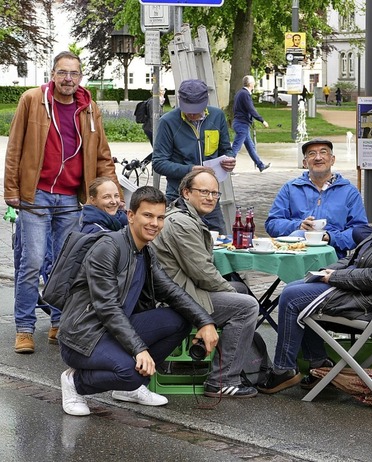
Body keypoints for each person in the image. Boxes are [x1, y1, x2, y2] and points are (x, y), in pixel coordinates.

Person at [258, 172, 372, 394]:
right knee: (295, 287)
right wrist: (329, 270)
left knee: (292, 297)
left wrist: (335, 277)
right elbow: (357, 258)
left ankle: (284, 369)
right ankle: (317, 365)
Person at [57, 186, 218, 416]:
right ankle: (75, 382)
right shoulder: (108, 248)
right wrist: (139, 349)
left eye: (160, 217)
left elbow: (171, 291)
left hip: (113, 330)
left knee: (180, 320)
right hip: (83, 337)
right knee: (131, 371)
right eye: (148, 215)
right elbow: (108, 307)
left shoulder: (145, 251)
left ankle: (129, 388)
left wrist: (205, 322)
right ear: (131, 216)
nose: (155, 223)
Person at [4, 50, 120, 354]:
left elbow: (103, 155)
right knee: (31, 262)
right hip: (35, 196)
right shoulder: (33, 100)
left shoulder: (89, 109)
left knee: (64, 265)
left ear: (80, 77)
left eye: (74, 73)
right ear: (53, 74)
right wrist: (11, 190)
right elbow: (15, 147)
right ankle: (25, 328)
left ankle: (59, 322)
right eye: (62, 73)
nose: (68, 79)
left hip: (71, 198)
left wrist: (112, 194)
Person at [151, 169, 260, 398]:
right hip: (175, 300)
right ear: (186, 192)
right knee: (247, 305)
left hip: (179, 290)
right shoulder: (181, 222)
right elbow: (203, 273)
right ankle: (223, 380)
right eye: (204, 192)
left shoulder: (183, 215)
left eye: (214, 193)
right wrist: (231, 292)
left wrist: (232, 291)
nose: (210, 197)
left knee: (241, 291)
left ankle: (253, 365)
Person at [265, 138, 372, 258]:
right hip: (294, 256)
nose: (318, 158)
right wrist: (298, 226)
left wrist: (330, 237)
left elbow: (359, 231)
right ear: (305, 163)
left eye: (323, 152)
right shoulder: (290, 188)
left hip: (333, 260)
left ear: (332, 160)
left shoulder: (349, 191)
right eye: (312, 154)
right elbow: (272, 224)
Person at [153, 79, 236, 234]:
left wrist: (229, 160)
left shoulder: (217, 116)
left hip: (209, 198)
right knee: (182, 245)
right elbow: (158, 163)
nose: (192, 113)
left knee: (218, 242)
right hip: (179, 198)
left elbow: (226, 149)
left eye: (196, 109)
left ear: (205, 102)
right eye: (188, 109)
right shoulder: (168, 122)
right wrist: (190, 169)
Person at [231, 75, 270, 172]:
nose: (254, 84)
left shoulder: (239, 93)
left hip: (239, 123)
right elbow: (251, 109)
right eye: (253, 82)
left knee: (250, 146)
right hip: (242, 124)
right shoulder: (245, 94)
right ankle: (227, 168)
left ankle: (260, 165)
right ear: (250, 84)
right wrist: (262, 120)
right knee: (236, 147)